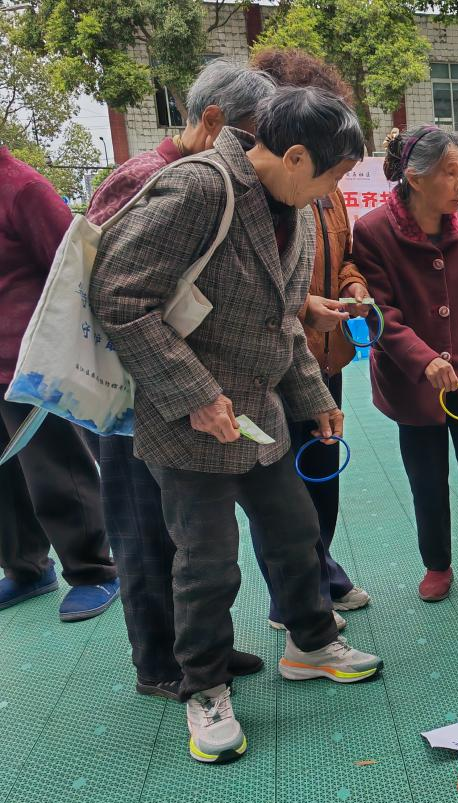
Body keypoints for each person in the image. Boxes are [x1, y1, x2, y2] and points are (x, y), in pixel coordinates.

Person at [90, 87, 383, 765]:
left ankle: (310, 642)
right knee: (207, 563)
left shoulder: (298, 208)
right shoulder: (199, 188)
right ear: (298, 154)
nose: (335, 189)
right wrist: (195, 392)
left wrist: (315, 398)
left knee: (294, 531)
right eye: (335, 174)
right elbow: (119, 296)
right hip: (187, 421)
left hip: (261, 415)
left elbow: (282, 321)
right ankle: (205, 687)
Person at [87, 58, 277, 695]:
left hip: (171, 386)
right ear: (217, 122)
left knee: (189, 537)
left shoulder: (205, 177)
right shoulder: (153, 178)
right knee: (146, 534)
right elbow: (113, 296)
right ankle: (160, 666)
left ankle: (206, 651)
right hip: (134, 391)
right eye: (256, 137)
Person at [352, 125, 458, 605]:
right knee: (426, 477)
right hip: (413, 381)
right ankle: (437, 564)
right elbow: (379, 313)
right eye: (450, 174)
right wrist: (424, 360)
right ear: (414, 176)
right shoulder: (372, 231)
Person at [249, 48, 372, 628]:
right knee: (281, 489)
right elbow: (254, 290)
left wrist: (353, 288)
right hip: (274, 369)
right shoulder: (258, 191)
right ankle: (290, 597)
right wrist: (303, 309)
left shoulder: (326, 186)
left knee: (322, 475)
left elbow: (344, 257)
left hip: (326, 357)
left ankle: (321, 568)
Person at [0, 148, 119, 621]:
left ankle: (93, 570)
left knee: (55, 469)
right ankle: (27, 568)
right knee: (5, 479)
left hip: (29, 362)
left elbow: (73, 267)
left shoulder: (22, 187)